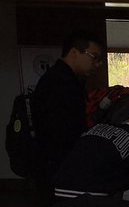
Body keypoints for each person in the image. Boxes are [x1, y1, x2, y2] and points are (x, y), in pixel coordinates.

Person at [30, 30, 104, 196]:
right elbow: (63, 133)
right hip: (58, 167)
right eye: (94, 57)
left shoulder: (64, 79)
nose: (98, 64)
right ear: (74, 52)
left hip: (55, 165)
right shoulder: (60, 83)